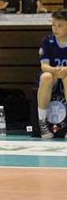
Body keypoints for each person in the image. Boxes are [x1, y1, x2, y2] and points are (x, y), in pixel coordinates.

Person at [37, 10, 67, 140]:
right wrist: (56, 70)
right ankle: (42, 123)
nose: (55, 28)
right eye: (53, 25)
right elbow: (44, 66)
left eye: (60, 25)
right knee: (46, 76)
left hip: (65, 76)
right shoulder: (47, 40)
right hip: (53, 76)